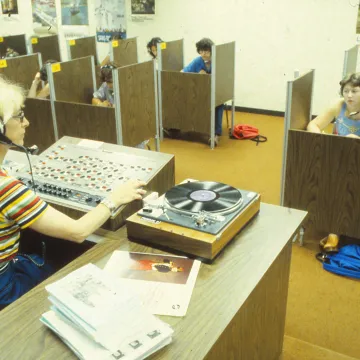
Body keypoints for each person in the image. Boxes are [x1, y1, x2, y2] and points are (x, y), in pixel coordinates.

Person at [0, 75, 146, 308]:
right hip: (4, 287)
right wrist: (114, 199)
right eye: (19, 116)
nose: (26, 122)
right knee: (61, 266)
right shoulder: (6, 189)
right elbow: (78, 232)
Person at [306, 73, 360, 253]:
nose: (349, 95)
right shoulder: (339, 106)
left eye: (354, 91)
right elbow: (313, 125)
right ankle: (334, 231)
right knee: (336, 187)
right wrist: (324, 140)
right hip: (340, 159)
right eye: (346, 91)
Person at [182, 38, 224, 146]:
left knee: (218, 105)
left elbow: (222, 77)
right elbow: (184, 72)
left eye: (206, 51)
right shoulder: (197, 61)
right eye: (201, 51)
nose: (203, 54)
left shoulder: (217, 61)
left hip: (215, 93)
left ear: (211, 51)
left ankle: (216, 133)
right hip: (200, 93)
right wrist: (197, 75)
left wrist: (208, 76)